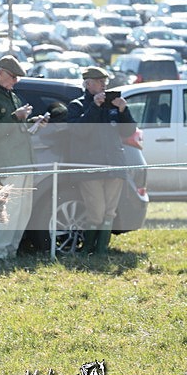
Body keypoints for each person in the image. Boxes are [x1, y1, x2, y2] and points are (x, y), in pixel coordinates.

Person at [0, 56, 48, 260]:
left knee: (24, 210)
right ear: (0, 73)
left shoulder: (11, 96)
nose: (15, 81)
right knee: (12, 209)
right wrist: (16, 117)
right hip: (8, 161)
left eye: (17, 78)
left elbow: (16, 128)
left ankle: (10, 251)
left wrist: (33, 122)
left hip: (23, 159)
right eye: (13, 77)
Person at [66, 67, 136, 255]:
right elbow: (80, 131)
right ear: (88, 84)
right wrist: (95, 107)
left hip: (114, 164)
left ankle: (101, 250)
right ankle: (87, 248)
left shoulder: (112, 105)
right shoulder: (77, 105)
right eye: (99, 81)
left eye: (105, 81)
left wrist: (124, 111)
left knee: (109, 211)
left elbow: (128, 131)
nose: (104, 85)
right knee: (96, 211)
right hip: (90, 167)